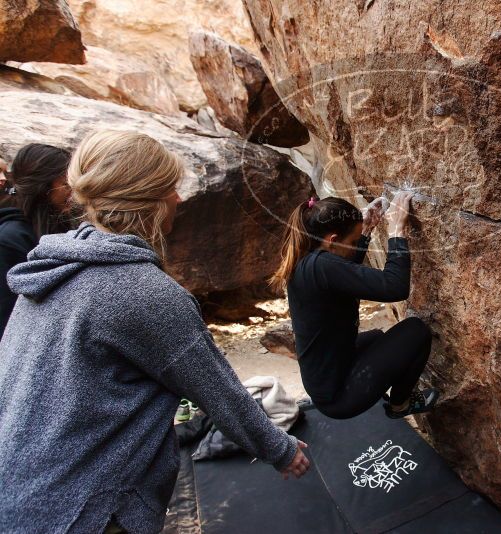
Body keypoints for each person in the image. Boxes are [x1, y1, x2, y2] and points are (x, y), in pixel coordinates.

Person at [0, 130, 309, 534]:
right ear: (149, 199)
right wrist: (281, 450)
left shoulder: (52, 268)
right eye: (170, 189)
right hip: (83, 510)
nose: (179, 199)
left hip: (20, 493)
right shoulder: (141, 292)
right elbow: (218, 390)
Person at [270, 192, 439, 420]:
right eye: (352, 241)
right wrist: (396, 230)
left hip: (325, 380)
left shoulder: (307, 258)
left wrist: (365, 232)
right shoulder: (322, 267)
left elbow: (344, 273)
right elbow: (394, 287)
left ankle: (393, 395)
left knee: (379, 338)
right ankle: (401, 404)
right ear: (332, 241)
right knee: (415, 331)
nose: (354, 246)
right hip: (338, 397)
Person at [0, 144, 73, 337]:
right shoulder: (9, 239)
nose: (73, 192)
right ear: (43, 187)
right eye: (65, 184)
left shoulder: (59, 227)